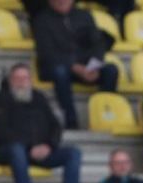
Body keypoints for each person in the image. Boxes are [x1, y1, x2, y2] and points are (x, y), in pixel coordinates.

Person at [0, 65, 80, 183]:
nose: (21, 82)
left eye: (25, 78)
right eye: (17, 78)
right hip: (7, 151)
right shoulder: (0, 99)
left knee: (73, 153)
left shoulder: (39, 98)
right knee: (17, 150)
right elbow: (0, 132)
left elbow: (56, 126)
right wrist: (30, 147)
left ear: (31, 80)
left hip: (39, 151)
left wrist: (49, 146)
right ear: (10, 80)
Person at [30, 0, 116, 130]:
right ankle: (71, 121)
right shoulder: (41, 20)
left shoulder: (84, 16)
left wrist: (94, 65)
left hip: (86, 66)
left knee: (111, 70)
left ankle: (103, 114)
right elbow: (47, 53)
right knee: (60, 72)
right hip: (56, 66)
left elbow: (98, 43)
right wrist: (74, 66)